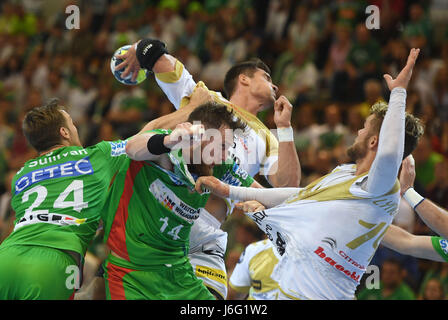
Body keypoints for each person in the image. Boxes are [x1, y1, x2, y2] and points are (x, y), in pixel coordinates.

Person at [195, 48, 424, 300]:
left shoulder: (378, 186)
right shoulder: (345, 173)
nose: (358, 131)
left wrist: (399, 93)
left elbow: (390, 154)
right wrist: (230, 190)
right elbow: (299, 195)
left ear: (373, 142)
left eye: (364, 128)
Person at [114, 38, 301, 299]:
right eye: (267, 77)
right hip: (162, 211)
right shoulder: (205, 98)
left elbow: (286, 183)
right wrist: (137, 49)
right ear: (244, 80)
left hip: (206, 231)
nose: (276, 85)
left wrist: (284, 128)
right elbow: (156, 54)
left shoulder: (268, 138)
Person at [101, 102, 256, 300]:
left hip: (177, 271)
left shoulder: (220, 165)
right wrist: (168, 140)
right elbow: (132, 148)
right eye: (223, 146)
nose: (226, 155)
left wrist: (257, 201)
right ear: (203, 137)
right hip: (131, 273)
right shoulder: (168, 146)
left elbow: (261, 194)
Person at [0, 99, 128, 299]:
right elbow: (152, 133)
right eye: (72, 124)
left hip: (6, 257)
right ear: (64, 132)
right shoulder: (95, 157)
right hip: (53, 262)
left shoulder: (21, 175)